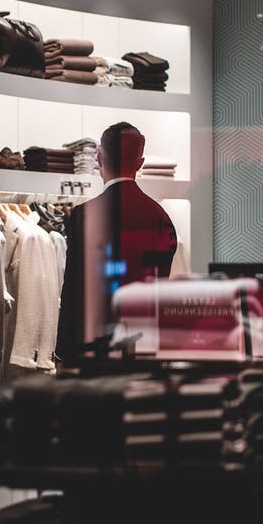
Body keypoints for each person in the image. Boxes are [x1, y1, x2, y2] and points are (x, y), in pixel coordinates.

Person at [56, 122, 178, 363]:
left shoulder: (84, 216)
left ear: (99, 157)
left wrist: (63, 354)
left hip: (93, 349)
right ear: (140, 163)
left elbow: (73, 291)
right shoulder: (161, 218)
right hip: (145, 348)